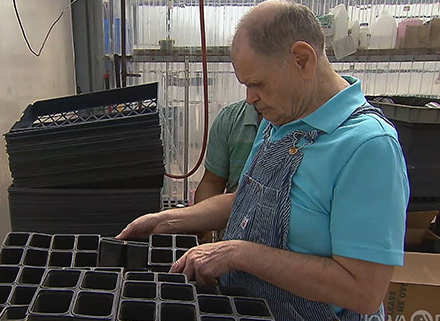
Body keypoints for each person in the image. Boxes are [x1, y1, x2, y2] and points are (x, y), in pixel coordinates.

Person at [116, 1, 409, 320]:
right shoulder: (280, 118)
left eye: (257, 84)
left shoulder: (368, 147)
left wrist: (238, 254)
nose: (250, 99)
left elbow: (364, 291)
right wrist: (166, 221)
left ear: (302, 59)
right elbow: (250, 200)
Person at [195, 101, 259, 242]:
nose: (251, 97)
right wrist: (203, 236)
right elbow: (212, 182)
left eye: (258, 84)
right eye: (247, 85)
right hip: (231, 239)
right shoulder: (230, 119)